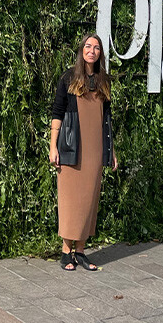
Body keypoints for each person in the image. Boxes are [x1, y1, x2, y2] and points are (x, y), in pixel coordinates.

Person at [49, 33, 118, 271]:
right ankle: (66, 250)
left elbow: (106, 118)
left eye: (96, 47)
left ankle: (80, 251)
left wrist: (112, 151)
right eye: (88, 46)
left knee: (89, 199)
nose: (92, 50)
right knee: (70, 199)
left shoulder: (103, 81)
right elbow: (57, 112)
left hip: (95, 148)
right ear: (81, 50)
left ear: (100, 53)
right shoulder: (68, 77)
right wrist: (52, 146)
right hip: (71, 146)